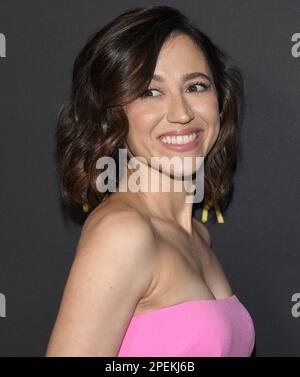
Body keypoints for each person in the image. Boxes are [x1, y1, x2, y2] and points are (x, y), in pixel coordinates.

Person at [46, 5, 255, 357]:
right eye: (150, 92)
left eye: (196, 86)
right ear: (111, 114)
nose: (182, 113)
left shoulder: (197, 235)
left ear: (219, 101)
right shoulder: (124, 232)